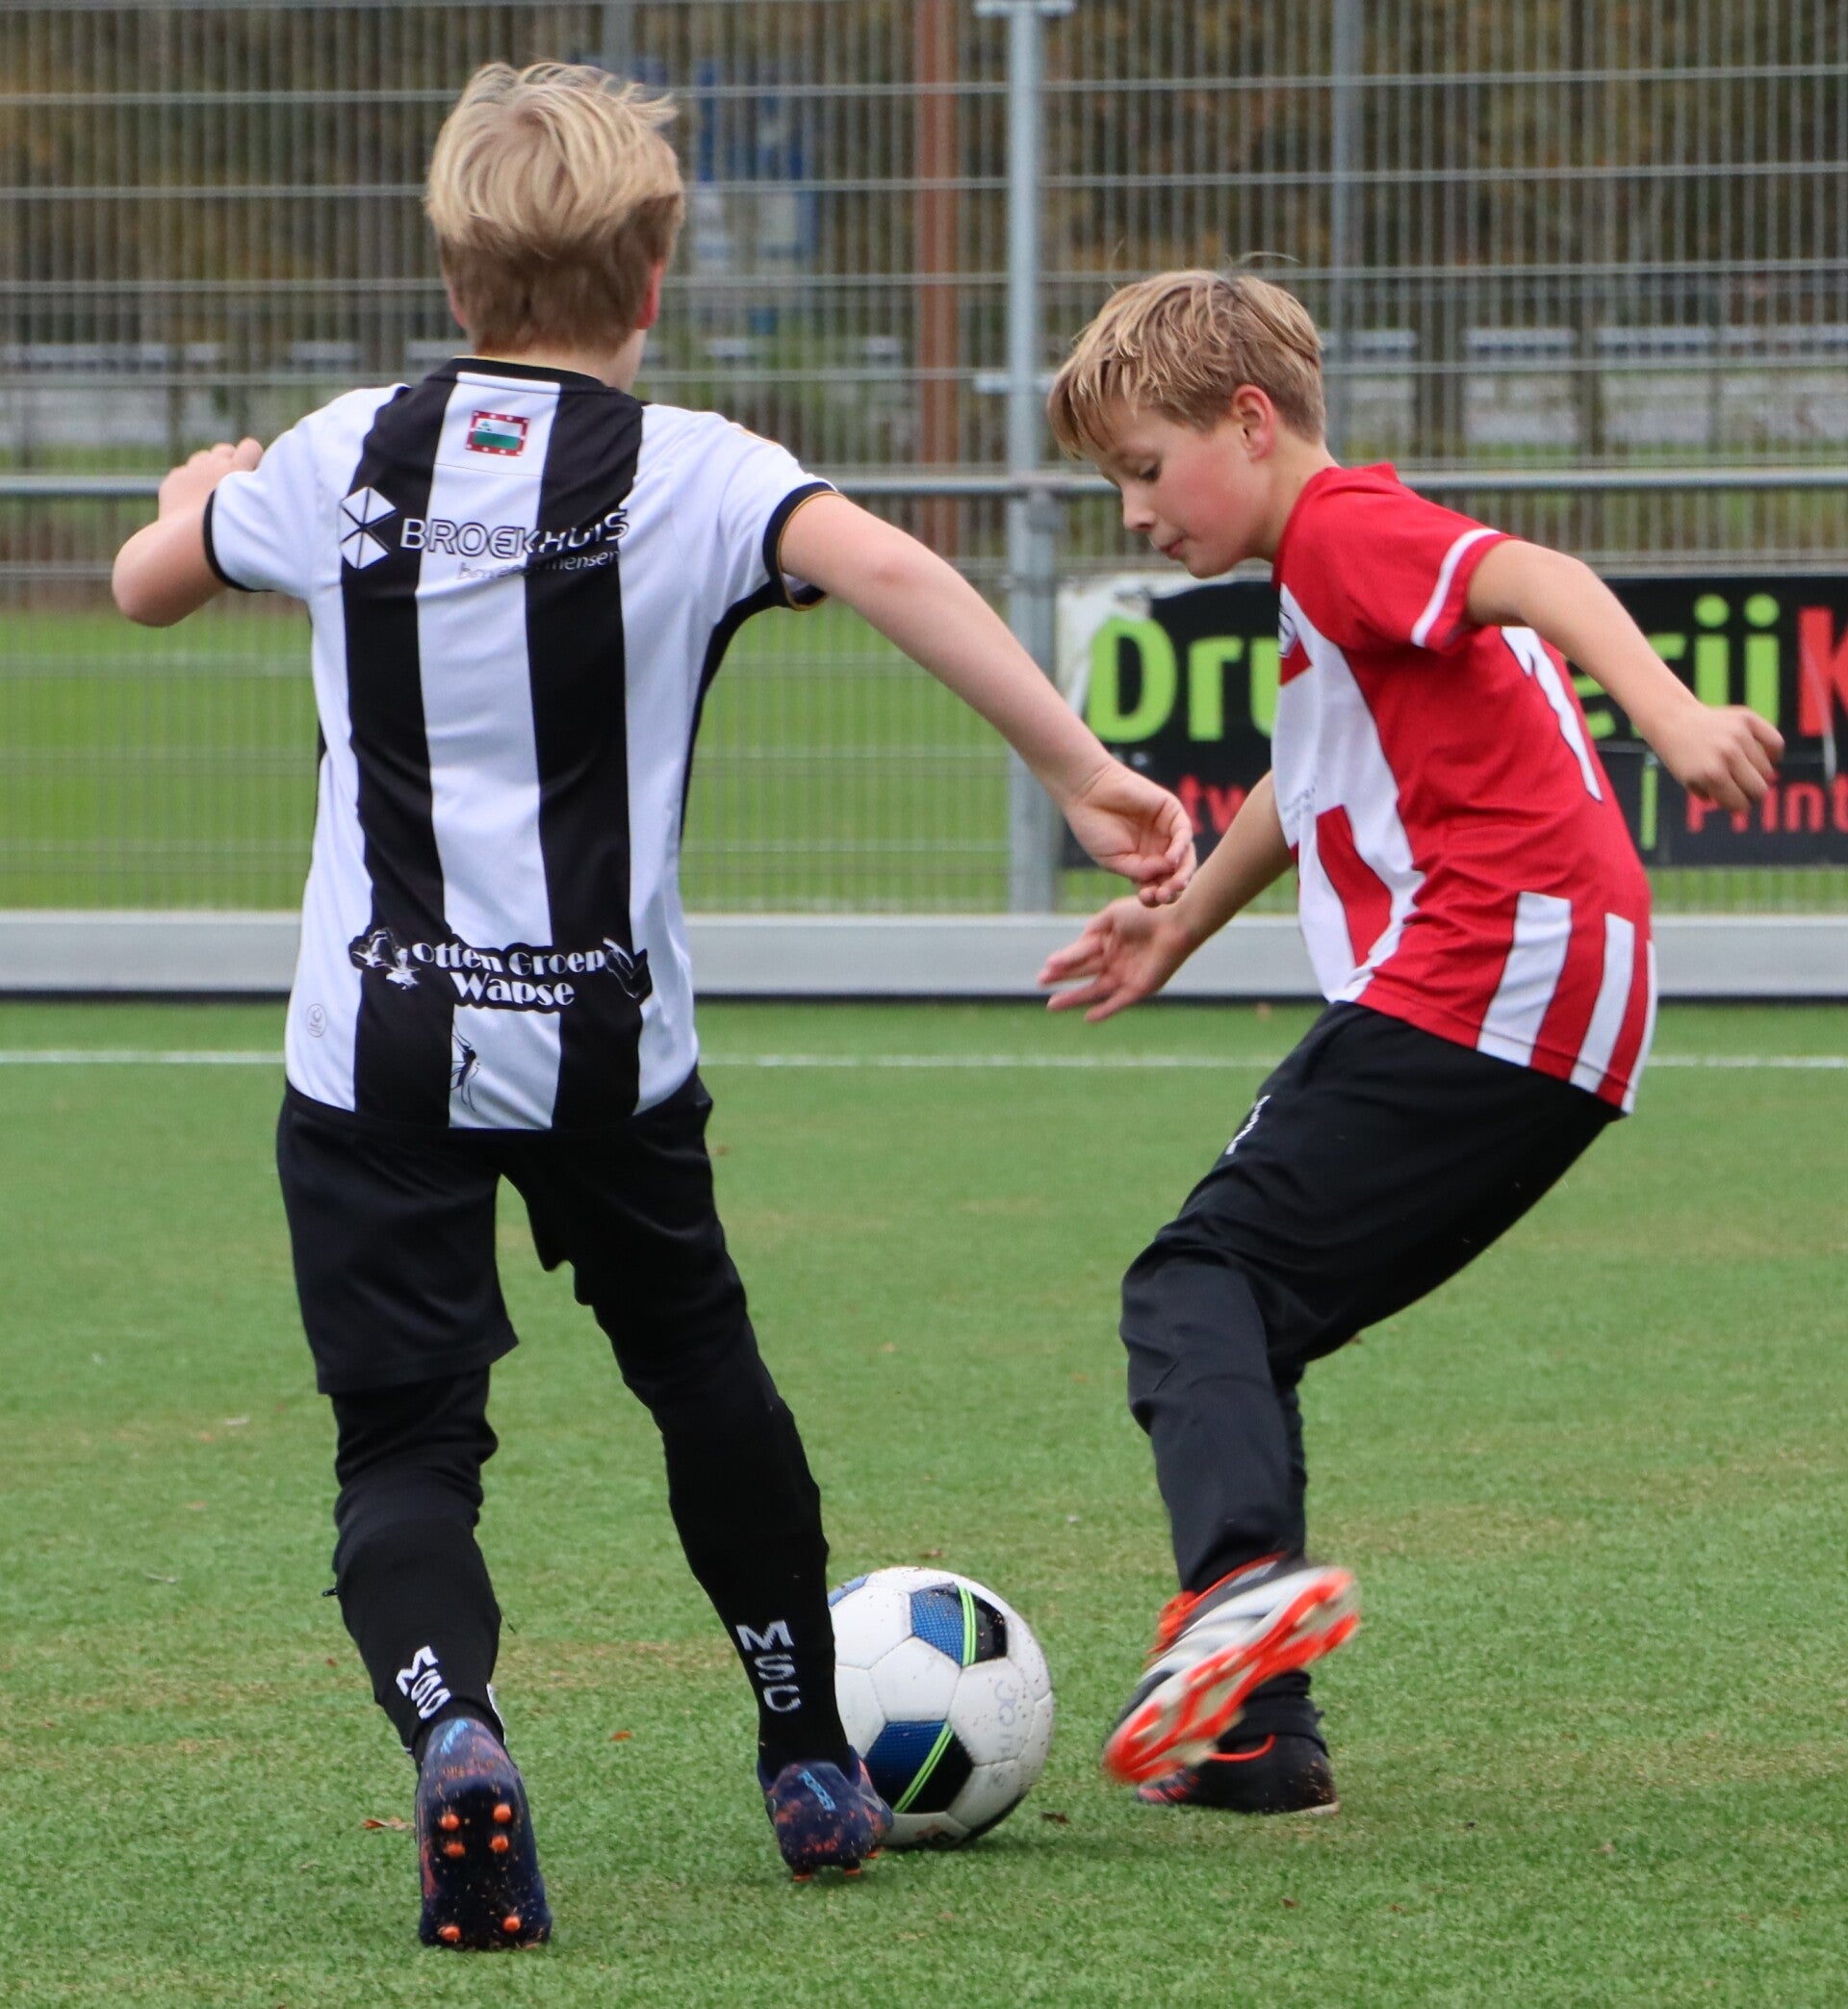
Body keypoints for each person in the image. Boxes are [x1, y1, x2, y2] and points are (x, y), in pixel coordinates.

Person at [111, 63, 1194, 1947]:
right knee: (703, 1381)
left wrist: (199, 498)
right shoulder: (700, 469)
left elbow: (142, 589)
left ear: (454, 273)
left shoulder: (346, 452)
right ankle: (805, 1750)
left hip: (375, 1055)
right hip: (607, 1047)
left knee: (406, 1454)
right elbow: (888, 565)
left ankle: (455, 1732)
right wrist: (1080, 769)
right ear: (656, 274)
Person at [1038, 269, 1783, 1816]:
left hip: (1492, 962)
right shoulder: (1323, 574)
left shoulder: (1343, 530)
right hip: (1547, 982)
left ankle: (1240, 1592)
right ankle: (1259, 1738)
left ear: (1250, 422)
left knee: (1196, 1283)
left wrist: (1670, 712)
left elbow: (1538, 574)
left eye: (1146, 468)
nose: (1134, 513)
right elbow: (1305, 782)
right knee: (1245, 1314)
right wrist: (1180, 925)